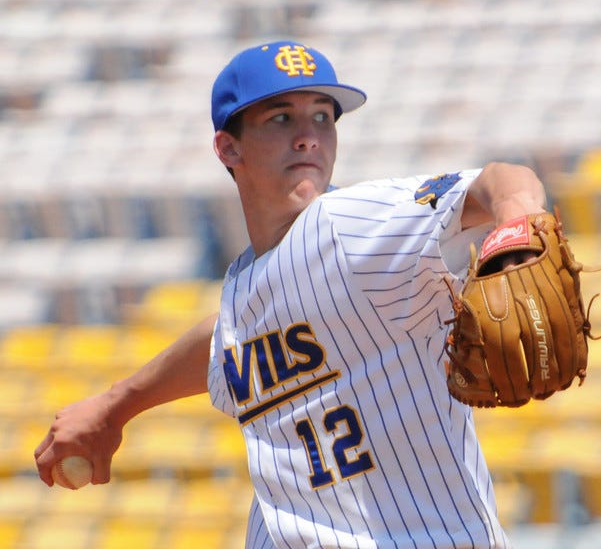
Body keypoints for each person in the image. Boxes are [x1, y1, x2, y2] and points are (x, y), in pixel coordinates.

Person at [35, 40, 547, 548]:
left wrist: (518, 225)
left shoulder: (351, 226)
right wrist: (115, 404)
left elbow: (501, 179)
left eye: (323, 117)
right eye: (281, 119)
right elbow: (226, 344)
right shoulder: (246, 287)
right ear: (228, 147)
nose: (309, 137)